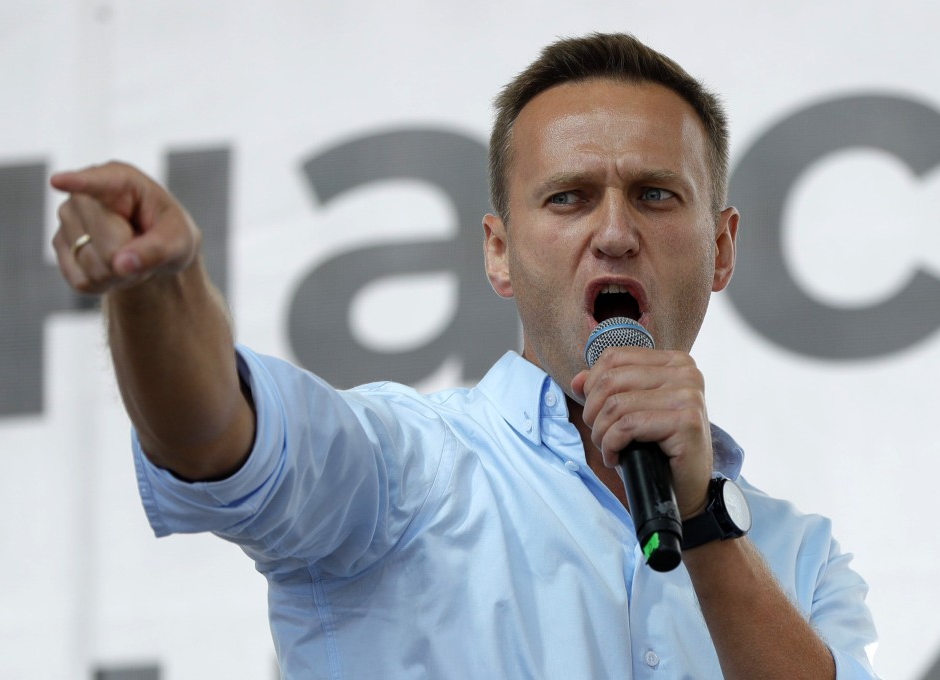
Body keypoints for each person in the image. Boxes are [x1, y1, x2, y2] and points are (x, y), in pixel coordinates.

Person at [51, 32, 879, 679]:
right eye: (569, 197)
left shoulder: (798, 556)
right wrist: (157, 290)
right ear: (498, 252)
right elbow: (214, 438)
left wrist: (701, 520)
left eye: (656, 195)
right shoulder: (402, 467)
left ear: (722, 247)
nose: (617, 233)